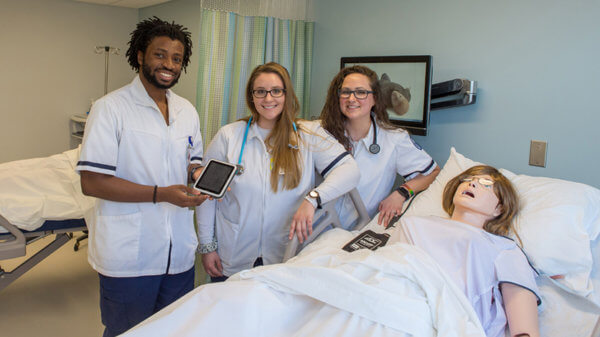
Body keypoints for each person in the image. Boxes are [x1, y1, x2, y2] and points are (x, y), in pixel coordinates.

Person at [77, 17, 207, 337]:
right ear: (140, 56)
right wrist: (161, 193)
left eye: (176, 59)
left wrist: (199, 175)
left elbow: (193, 160)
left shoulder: (186, 110)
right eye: (160, 55)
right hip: (129, 258)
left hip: (178, 255)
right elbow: (91, 181)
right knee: (127, 332)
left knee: (175, 330)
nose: (169, 65)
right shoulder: (111, 109)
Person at [197, 62, 360, 281]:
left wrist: (313, 199)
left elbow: (350, 171)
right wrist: (207, 246)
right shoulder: (229, 136)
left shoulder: (308, 134)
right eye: (260, 92)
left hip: (285, 254)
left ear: (286, 94)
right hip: (234, 253)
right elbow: (207, 196)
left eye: (276, 91)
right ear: (251, 96)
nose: (268, 98)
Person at [387, 165, 540, 337]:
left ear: (499, 208)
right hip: (388, 306)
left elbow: (524, 330)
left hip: (444, 322)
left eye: (485, 183)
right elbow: (384, 271)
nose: (472, 184)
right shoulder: (413, 224)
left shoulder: (503, 248)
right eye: (467, 180)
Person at [320, 65, 440, 228]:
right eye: (346, 92)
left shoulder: (394, 139)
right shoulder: (321, 133)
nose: (352, 99)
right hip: (313, 226)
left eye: (361, 92)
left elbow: (432, 172)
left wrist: (402, 193)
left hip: (355, 231)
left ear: (375, 98)